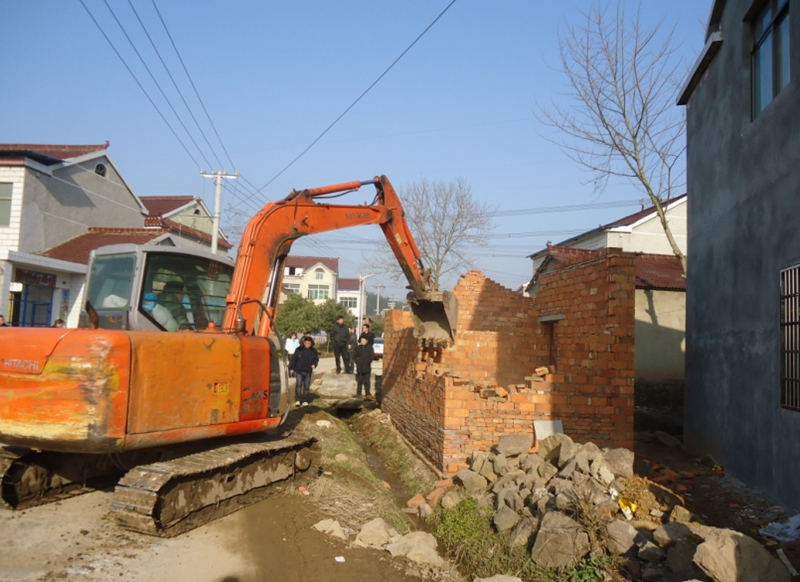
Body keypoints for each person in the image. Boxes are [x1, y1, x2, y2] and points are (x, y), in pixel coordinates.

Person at [289, 336, 319, 406]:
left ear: (311, 343)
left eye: (309, 343)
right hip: (299, 371)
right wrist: (291, 368)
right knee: (298, 385)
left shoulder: (313, 351)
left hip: (308, 371)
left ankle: (305, 400)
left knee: (306, 386)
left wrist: (314, 364)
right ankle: (298, 400)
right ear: (303, 343)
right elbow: (293, 359)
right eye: (306, 343)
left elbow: (316, 359)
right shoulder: (298, 350)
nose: (307, 344)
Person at [353, 334, 374, 398]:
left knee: (367, 381)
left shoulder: (370, 348)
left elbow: (371, 357)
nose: (362, 341)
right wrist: (357, 362)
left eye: (363, 340)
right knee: (360, 381)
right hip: (360, 368)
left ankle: (367, 393)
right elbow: (355, 356)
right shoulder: (358, 348)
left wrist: (367, 362)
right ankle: (358, 393)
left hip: (367, 367)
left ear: (366, 341)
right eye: (361, 340)